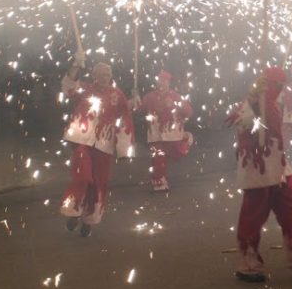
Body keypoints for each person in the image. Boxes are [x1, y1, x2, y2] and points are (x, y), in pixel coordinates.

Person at [227, 66, 292, 282]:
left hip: (278, 164)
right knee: (253, 215)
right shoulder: (253, 102)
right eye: (277, 86)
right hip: (257, 168)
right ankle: (248, 263)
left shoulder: (273, 102)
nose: (280, 90)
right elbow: (242, 123)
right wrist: (254, 105)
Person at [60, 57, 134, 237]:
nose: (104, 77)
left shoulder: (117, 95)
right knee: (83, 176)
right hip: (82, 141)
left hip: (105, 145)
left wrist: (123, 149)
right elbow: (69, 88)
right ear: (94, 75)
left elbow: (125, 119)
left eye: (108, 74)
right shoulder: (85, 89)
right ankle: (74, 211)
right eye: (101, 74)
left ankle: (89, 219)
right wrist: (75, 66)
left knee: (99, 183)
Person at [133, 70, 193, 192]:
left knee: (178, 151)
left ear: (169, 83)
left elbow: (188, 112)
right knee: (158, 158)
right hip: (156, 133)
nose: (162, 83)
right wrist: (135, 98)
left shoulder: (176, 96)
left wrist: (176, 104)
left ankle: (186, 139)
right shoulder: (150, 97)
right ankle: (159, 182)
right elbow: (138, 109)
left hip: (173, 134)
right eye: (160, 81)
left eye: (164, 81)